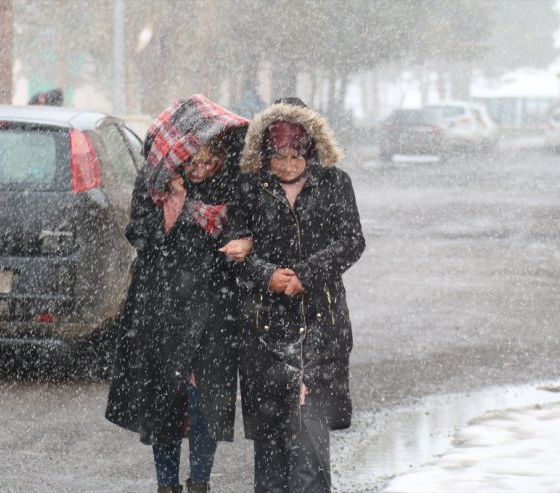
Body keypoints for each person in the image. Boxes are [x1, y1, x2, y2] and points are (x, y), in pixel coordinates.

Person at [105, 95, 251, 493]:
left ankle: (200, 482)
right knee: (165, 399)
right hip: (162, 305)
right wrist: (175, 201)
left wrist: (243, 244)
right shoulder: (153, 185)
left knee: (204, 399)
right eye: (193, 164)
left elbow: (242, 229)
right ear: (176, 160)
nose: (203, 170)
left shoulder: (232, 183)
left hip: (214, 305)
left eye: (210, 161)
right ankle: (166, 485)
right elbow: (141, 234)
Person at [234, 98, 365, 492]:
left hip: (319, 329)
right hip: (265, 333)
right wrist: (267, 275)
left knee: (310, 451)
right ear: (264, 153)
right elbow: (232, 250)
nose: (288, 165)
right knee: (271, 453)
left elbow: (351, 241)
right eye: (278, 157)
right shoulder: (249, 188)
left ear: (312, 150)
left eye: (296, 155)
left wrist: (306, 275)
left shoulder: (335, 183)